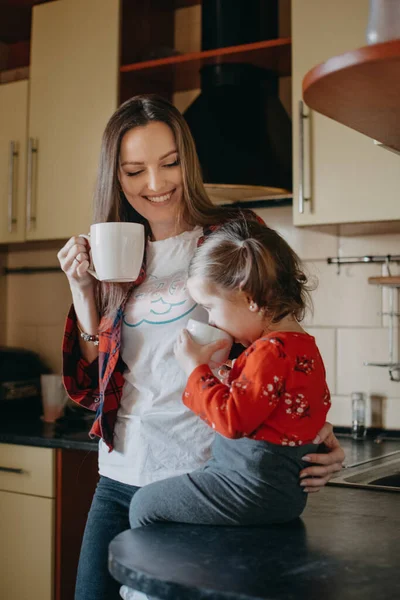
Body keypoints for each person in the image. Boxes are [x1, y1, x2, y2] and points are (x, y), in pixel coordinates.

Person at [57, 94, 345, 600]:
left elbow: (286, 345)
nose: (155, 184)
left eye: (169, 163)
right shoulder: (113, 251)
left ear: (188, 160)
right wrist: (84, 291)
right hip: (120, 477)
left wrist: (312, 431)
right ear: (115, 178)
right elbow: (89, 385)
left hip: (203, 483)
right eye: (133, 171)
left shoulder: (233, 236)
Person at [128, 218, 331, 532]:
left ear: (249, 297)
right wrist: (225, 375)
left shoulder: (269, 352)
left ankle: (164, 580)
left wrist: (194, 369)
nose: (211, 320)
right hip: (282, 495)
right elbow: (269, 408)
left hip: (248, 487)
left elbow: (232, 421)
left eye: (210, 307)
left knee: (145, 504)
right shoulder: (302, 347)